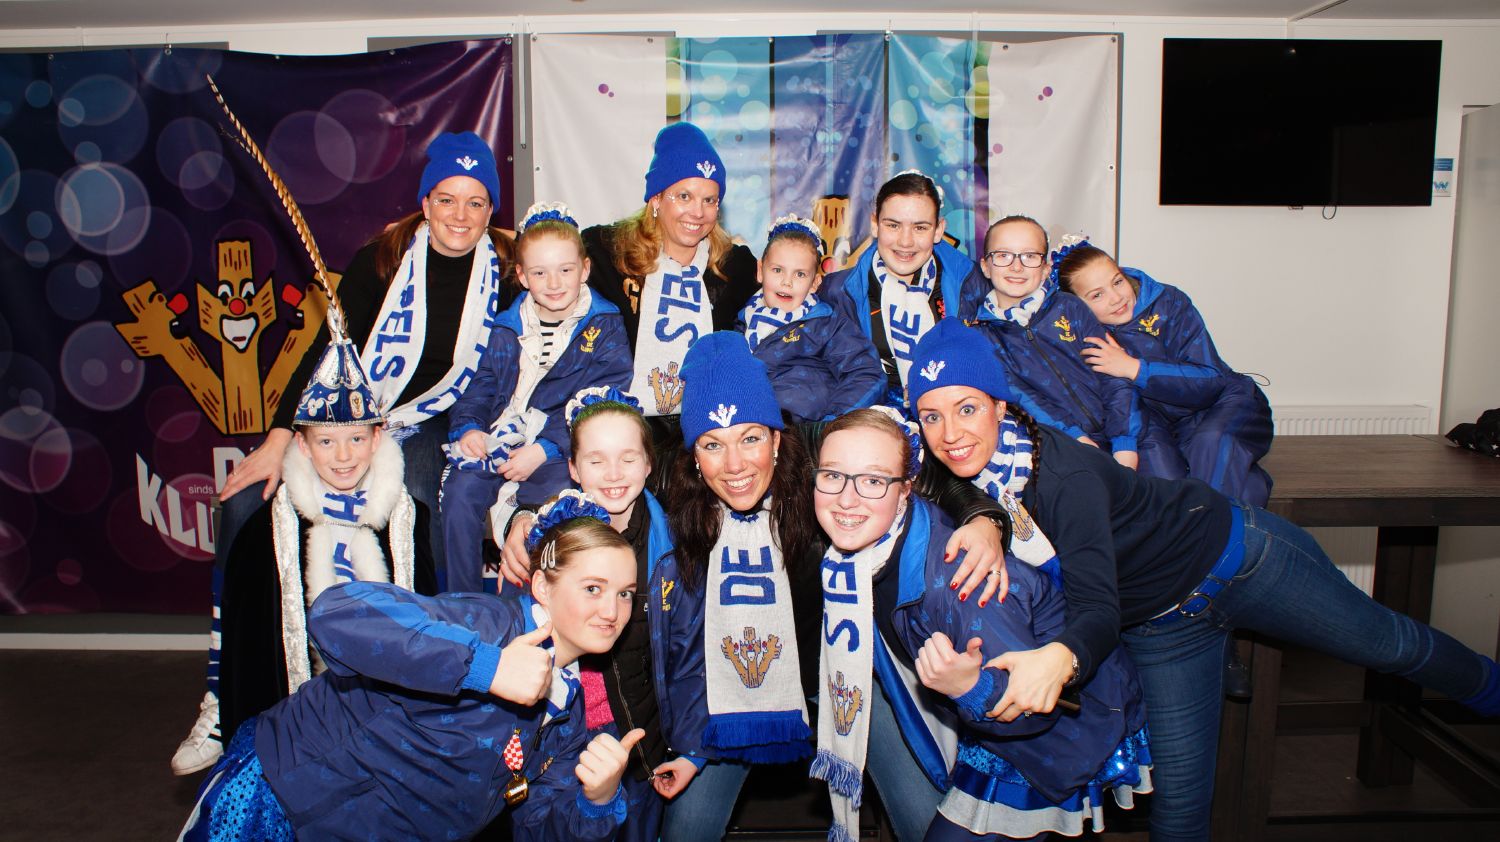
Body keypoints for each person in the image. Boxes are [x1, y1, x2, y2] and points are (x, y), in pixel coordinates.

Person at [905, 318, 1500, 841]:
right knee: (1182, 801)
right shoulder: (963, 473)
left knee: (1394, 646)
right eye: (932, 415)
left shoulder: (1063, 476)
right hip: (1163, 627)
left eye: (967, 408)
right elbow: (937, 483)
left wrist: (1060, 659)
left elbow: (1097, 608)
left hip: (1239, 561)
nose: (950, 433)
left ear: (1000, 405)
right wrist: (981, 517)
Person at [176, 132, 507, 773]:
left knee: (424, 504)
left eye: (475, 202)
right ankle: (221, 696)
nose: (460, 215)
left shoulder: (508, 272)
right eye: (446, 199)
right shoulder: (381, 261)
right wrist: (280, 437)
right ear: (425, 202)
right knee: (244, 502)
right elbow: (321, 353)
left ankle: (437, 693)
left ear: (491, 210)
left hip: (434, 421)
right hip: (349, 413)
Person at [660, 332, 1010, 842]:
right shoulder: (674, 496)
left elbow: (919, 471)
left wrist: (982, 517)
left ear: (776, 438)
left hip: (842, 669)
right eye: (713, 445)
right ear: (694, 454)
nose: (735, 465)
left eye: (751, 438)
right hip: (736, 691)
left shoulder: (818, 455)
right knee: (686, 830)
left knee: (926, 820)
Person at [180, 494, 645, 842]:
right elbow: (337, 612)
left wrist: (597, 799)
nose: (612, 610)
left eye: (624, 593)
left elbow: (536, 825)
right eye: (593, 588)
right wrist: (487, 666)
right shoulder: (486, 624)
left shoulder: (568, 710)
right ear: (542, 587)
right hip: (280, 800)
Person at [813, 408, 1151, 840]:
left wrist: (968, 687)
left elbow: (1036, 705)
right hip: (992, 727)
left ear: (906, 489)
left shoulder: (960, 584)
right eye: (833, 476)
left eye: (874, 481)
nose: (847, 498)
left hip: (1048, 741)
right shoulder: (875, 546)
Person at [499, 386, 712, 841]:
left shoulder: (674, 548)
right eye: (596, 461)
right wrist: (516, 520)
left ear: (649, 463)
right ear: (574, 469)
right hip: (560, 745)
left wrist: (692, 750)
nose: (614, 474)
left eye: (628, 458)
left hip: (643, 743)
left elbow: (690, 656)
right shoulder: (545, 545)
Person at [217, 318, 436, 743]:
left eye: (356, 439)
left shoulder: (409, 522)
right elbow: (247, 660)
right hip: (298, 734)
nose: (343, 457)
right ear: (302, 445)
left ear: (377, 439)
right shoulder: (268, 533)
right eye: (326, 442)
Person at [441, 202, 631, 593]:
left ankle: (525, 602)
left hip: (560, 446)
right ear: (523, 276)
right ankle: (463, 602)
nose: (554, 282)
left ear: (585, 270)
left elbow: (601, 399)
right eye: (540, 272)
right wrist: (470, 427)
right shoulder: (504, 326)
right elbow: (479, 385)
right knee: (459, 492)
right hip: (500, 436)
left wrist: (545, 448)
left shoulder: (605, 325)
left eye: (566, 270)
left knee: (548, 502)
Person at [1054, 239, 1274, 505]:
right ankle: (1245, 493)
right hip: (1160, 424)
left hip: (1224, 403)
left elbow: (1212, 379)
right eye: (1097, 295)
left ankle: (1220, 521)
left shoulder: (1169, 302)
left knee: (1210, 444)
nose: (1116, 298)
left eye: (1117, 282)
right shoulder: (1080, 338)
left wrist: (1134, 368)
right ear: (1075, 306)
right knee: (1168, 488)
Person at [582, 122, 759, 441]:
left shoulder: (735, 266)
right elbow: (542, 253)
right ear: (656, 198)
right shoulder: (609, 252)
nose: (698, 212)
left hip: (708, 428)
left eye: (709, 200)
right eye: (684, 196)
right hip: (627, 430)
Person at [964, 216, 1141, 470]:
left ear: (1046, 268)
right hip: (1060, 447)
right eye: (1003, 255)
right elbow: (1022, 398)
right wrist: (1076, 439)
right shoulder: (981, 337)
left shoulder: (1070, 307)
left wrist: (1125, 444)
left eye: (1029, 256)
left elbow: (1113, 373)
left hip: (1125, 436)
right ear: (985, 266)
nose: (1017, 267)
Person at [820, 170, 986, 404]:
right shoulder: (836, 292)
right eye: (893, 225)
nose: (905, 241)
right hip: (870, 416)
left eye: (920, 227)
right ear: (875, 224)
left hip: (954, 411)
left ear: (938, 230)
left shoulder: (973, 285)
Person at [737, 214, 884, 422]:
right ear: (761, 271)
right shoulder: (742, 322)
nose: (787, 282)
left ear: (815, 283)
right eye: (777, 270)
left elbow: (867, 374)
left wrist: (832, 424)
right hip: (749, 427)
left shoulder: (827, 324)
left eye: (800, 274)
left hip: (805, 431)